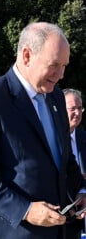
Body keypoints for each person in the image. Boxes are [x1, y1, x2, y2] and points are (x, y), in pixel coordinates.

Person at [0, 22, 86, 239]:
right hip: (7, 232)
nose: (61, 74)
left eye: (65, 65)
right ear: (26, 55)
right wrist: (25, 209)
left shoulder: (55, 97)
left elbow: (64, 158)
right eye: (54, 64)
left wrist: (80, 190)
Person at [63, 88, 86, 238]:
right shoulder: (50, 139)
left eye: (80, 108)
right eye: (72, 109)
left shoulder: (84, 137)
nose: (77, 113)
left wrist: (83, 191)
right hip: (60, 213)